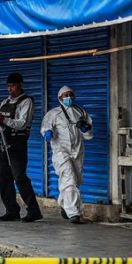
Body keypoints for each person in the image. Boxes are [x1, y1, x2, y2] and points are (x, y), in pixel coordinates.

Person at [0, 72, 43, 222]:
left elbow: (22, 123)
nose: (10, 89)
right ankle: (11, 210)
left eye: (12, 86)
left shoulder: (27, 102)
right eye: (8, 86)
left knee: (19, 177)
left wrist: (2, 119)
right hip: (2, 142)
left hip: (17, 143)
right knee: (4, 177)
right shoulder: (5, 102)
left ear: (20, 84)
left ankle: (33, 210)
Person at [41, 86, 92, 224]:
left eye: (70, 94)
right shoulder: (53, 113)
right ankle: (74, 213)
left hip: (77, 151)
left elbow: (88, 135)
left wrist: (85, 128)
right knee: (69, 179)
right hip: (61, 152)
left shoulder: (80, 112)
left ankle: (64, 203)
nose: (68, 97)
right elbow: (45, 127)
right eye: (65, 95)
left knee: (76, 181)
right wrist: (47, 132)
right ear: (60, 98)